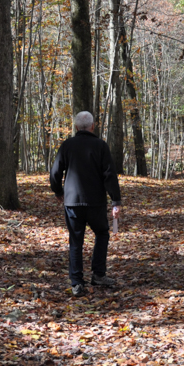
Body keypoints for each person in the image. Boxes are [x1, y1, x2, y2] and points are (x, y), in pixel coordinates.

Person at [50, 111, 122, 297]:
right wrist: (116, 200)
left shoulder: (67, 145)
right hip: (95, 202)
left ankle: (76, 282)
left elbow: (55, 172)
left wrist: (58, 191)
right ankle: (98, 274)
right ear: (92, 126)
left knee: (76, 241)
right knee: (102, 233)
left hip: (72, 202)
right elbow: (109, 175)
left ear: (76, 127)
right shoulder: (100, 145)